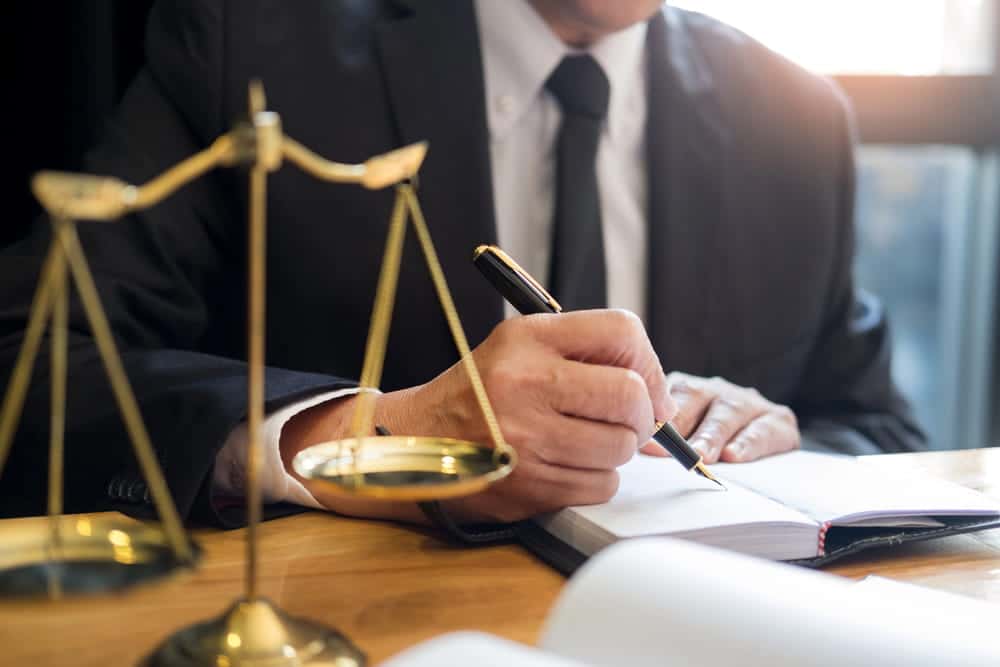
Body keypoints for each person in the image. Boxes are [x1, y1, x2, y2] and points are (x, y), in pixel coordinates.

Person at [0, 0, 924, 528]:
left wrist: (781, 445)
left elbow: (882, 429)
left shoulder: (799, 118)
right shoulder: (254, 42)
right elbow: (27, 358)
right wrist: (376, 436)